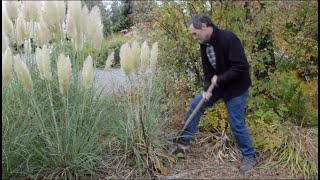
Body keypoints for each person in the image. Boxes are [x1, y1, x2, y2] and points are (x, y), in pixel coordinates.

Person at [175, 13, 256, 173]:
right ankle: (182, 142)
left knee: (236, 124)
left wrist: (219, 79)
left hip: (235, 88)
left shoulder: (228, 38)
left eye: (194, 33)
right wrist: (206, 89)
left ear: (204, 27)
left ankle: (249, 156)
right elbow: (207, 72)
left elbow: (241, 67)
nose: (194, 37)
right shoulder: (204, 43)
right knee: (196, 105)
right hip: (217, 86)